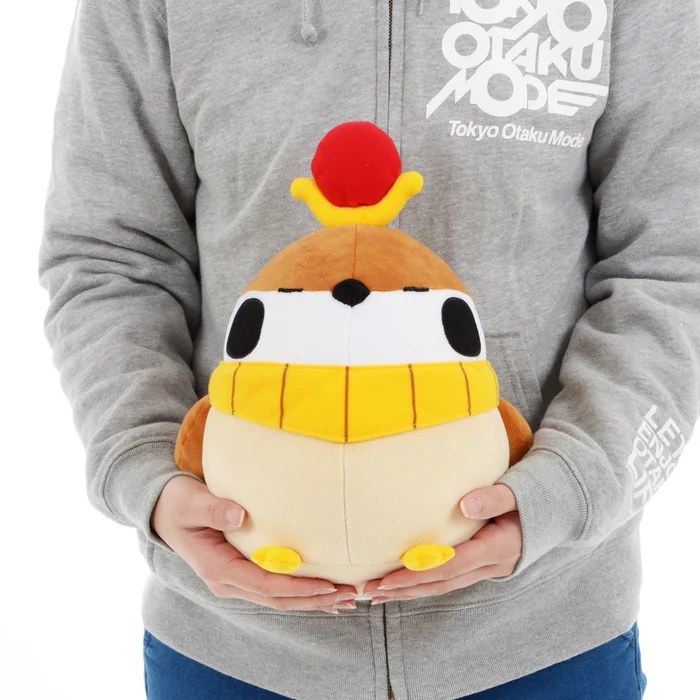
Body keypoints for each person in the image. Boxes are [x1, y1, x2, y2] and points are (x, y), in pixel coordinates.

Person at [38, 1, 700, 699]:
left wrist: (569, 487)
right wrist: (147, 471)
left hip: (544, 635)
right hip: (234, 646)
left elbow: (672, 267)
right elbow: (110, 259)